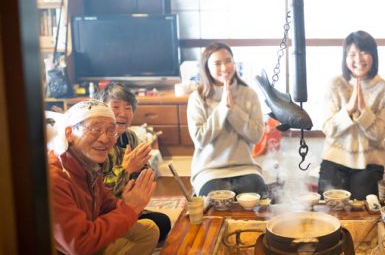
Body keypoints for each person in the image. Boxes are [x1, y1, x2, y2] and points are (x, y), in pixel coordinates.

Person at [48, 99, 159, 255]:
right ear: (69, 133)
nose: (105, 138)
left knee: (148, 230)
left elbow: (107, 204)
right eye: (96, 130)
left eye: (111, 131)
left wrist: (132, 204)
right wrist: (129, 209)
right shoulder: (53, 177)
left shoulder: (87, 164)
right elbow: (78, 245)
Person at [318, 30, 385, 200]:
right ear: (345, 58)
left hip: (369, 164)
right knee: (329, 216)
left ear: (373, 55)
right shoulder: (335, 84)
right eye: (352, 54)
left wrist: (363, 111)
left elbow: (380, 133)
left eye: (364, 52)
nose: (358, 59)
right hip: (334, 162)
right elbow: (327, 128)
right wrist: (348, 110)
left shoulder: (384, 88)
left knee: (364, 216)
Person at [188, 41, 267, 197]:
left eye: (228, 61)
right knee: (214, 203)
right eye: (217, 63)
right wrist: (223, 108)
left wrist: (233, 110)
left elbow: (257, 136)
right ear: (207, 68)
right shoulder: (197, 98)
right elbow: (199, 140)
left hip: (245, 167)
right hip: (209, 170)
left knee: (259, 195)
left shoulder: (249, 94)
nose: (224, 68)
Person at [95, 83, 171, 243]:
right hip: (101, 214)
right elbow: (97, 190)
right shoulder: (96, 142)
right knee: (147, 231)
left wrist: (144, 175)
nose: (122, 113)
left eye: (128, 108)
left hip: (126, 206)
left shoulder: (130, 136)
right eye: (115, 106)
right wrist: (125, 169)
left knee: (162, 223)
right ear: (102, 109)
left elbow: (144, 172)